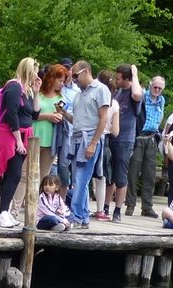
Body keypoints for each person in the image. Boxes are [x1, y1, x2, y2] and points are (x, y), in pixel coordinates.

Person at [0, 56, 38, 229]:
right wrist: (18, 141)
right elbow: (11, 115)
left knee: (13, 175)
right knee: (13, 174)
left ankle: (5, 211)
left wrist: (36, 92)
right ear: (28, 71)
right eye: (34, 72)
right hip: (12, 135)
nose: (36, 76)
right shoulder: (14, 87)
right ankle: (2, 213)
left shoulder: (27, 90)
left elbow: (34, 115)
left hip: (24, 135)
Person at [62, 60, 108, 229]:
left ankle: (75, 216)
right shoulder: (79, 94)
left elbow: (104, 118)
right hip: (77, 138)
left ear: (85, 71)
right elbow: (78, 121)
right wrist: (64, 114)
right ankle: (83, 218)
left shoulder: (101, 89)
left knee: (81, 180)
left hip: (89, 138)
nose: (73, 80)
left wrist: (93, 144)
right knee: (78, 180)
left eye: (75, 76)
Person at [100, 63, 142, 222]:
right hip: (111, 137)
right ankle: (105, 208)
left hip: (125, 140)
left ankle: (117, 210)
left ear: (127, 79)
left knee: (120, 175)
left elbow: (137, 94)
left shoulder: (134, 92)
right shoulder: (116, 92)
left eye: (118, 78)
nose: (115, 80)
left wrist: (135, 74)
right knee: (109, 174)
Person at [126, 74, 164, 217]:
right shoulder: (142, 96)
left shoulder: (161, 100)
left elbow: (160, 118)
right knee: (133, 172)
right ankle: (130, 204)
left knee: (150, 174)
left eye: (160, 88)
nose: (157, 89)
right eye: (155, 86)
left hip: (152, 138)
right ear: (150, 85)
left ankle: (147, 207)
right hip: (138, 137)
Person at [33, 63, 65, 192]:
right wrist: (47, 116)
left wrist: (61, 117)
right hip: (34, 136)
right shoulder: (38, 95)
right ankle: (21, 201)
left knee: (44, 174)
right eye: (60, 80)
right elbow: (31, 115)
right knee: (28, 171)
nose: (62, 84)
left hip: (51, 140)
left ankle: (39, 201)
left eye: (63, 81)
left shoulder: (61, 98)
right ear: (52, 78)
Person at [90, 69, 116, 221]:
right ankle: (100, 209)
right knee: (101, 176)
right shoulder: (115, 103)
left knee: (86, 175)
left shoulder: (95, 96)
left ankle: (83, 207)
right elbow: (116, 130)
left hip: (92, 136)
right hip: (105, 139)